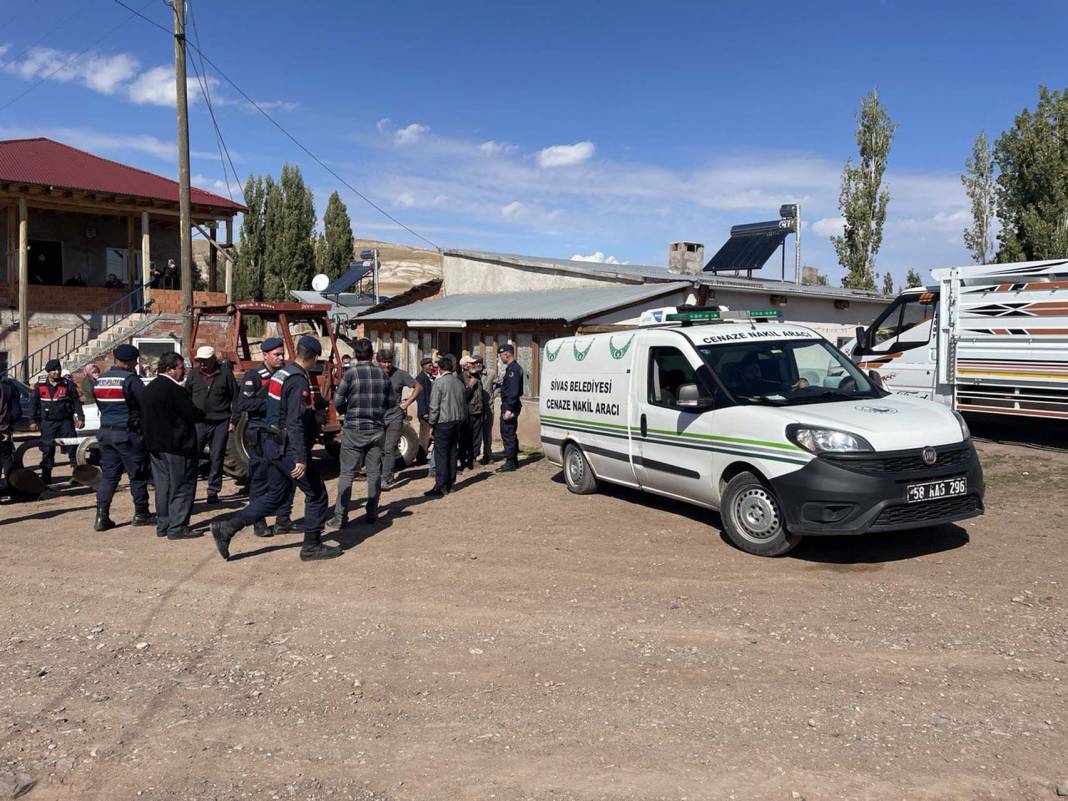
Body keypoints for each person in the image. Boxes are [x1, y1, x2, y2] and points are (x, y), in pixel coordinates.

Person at [211, 336, 341, 561]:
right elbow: (293, 421)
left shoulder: (282, 374)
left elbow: (276, 410)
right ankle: (311, 545)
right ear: (312, 357)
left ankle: (227, 527)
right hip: (287, 447)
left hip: (272, 443)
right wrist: (300, 456)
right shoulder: (298, 379)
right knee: (317, 494)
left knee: (275, 495)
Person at [231, 337, 294, 537]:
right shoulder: (255, 376)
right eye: (276, 355)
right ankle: (259, 522)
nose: (281, 358)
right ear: (265, 355)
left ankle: (283, 519)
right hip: (259, 433)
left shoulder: (285, 375)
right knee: (260, 479)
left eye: (282, 354)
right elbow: (243, 405)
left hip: (280, 434)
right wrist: (273, 404)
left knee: (287, 476)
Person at [328, 338, 392, 528]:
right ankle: (372, 514)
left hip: (354, 429)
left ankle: (340, 517)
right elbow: (391, 403)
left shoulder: (350, 374)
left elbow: (338, 401)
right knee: (374, 473)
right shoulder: (383, 375)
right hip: (376, 430)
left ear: (355, 355)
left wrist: (348, 410)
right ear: (372, 354)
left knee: (347, 473)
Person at [141, 352, 204, 540]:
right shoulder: (173, 390)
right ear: (170, 369)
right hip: (176, 446)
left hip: (155, 446)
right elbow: (192, 413)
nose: (183, 370)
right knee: (181, 486)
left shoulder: (149, 388)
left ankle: (164, 524)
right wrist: (202, 414)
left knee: (163, 487)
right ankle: (177, 527)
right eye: (181, 367)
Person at [94, 344, 154, 531]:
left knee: (109, 477)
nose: (136, 365)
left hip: (105, 433)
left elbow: (100, 405)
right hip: (127, 433)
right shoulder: (130, 380)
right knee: (137, 475)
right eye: (135, 361)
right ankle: (141, 513)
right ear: (129, 362)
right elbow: (146, 403)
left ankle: (102, 516)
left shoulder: (100, 380)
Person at [187, 345, 238, 504]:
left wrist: (234, 420)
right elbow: (186, 395)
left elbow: (235, 397)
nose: (202, 363)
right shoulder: (194, 374)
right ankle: (188, 491)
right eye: (199, 360)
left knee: (217, 457)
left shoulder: (225, 374)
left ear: (213, 359)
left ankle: (213, 492)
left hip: (221, 422)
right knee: (192, 456)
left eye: (205, 360)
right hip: (199, 422)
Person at [28, 359, 84, 484]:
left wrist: (80, 418)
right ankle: (46, 476)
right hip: (48, 423)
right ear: (48, 372)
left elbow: (76, 402)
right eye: (54, 370)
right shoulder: (40, 385)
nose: (57, 372)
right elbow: (33, 404)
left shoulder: (68, 384)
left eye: (58, 369)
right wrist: (32, 420)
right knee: (47, 449)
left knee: (72, 448)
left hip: (66, 421)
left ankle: (78, 475)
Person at [376, 348, 422, 489]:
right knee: (378, 448)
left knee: (390, 447)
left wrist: (407, 403)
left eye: (389, 362)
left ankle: (387, 478)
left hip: (395, 416)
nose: (387, 365)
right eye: (384, 362)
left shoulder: (400, 374)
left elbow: (418, 387)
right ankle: (376, 475)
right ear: (378, 362)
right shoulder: (374, 374)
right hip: (377, 417)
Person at [424, 355, 466, 498]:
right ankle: (450, 483)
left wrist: (431, 424)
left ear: (440, 369)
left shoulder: (439, 383)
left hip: (443, 422)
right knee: (452, 452)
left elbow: (434, 406)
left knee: (441, 453)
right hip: (457, 421)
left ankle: (440, 485)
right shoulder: (459, 382)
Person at [496, 344, 524, 473]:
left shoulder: (513, 370)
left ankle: (510, 462)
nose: (500, 358)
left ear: (507, 354)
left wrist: (509, 409)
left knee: (507, 433)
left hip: (509, 405)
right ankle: (513, 460)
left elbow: (513, 391)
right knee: (510, 432)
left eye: (501, 355)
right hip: (510, 405)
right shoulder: (512, 368)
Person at [0, 362, 22, 496]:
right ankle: (11, 490)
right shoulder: (8, 387)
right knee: (6, 460)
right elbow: (17, 412)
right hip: (4, 431)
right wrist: (8, 423)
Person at [462, 358, 486, 471]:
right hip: (467, 413)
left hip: (478, 411)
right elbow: (462, 397)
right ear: (464, 365)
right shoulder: (460, 378)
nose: (473, 365)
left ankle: (474, 459)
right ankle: (465, 461)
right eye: (470, 363)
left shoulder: (477, 377)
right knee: (466, 437)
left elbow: (481, 395)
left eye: (474, 363)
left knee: (477, 437)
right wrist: (470, 385)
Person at [474, 356, 496, 464]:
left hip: (488, 408)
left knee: (487, 434)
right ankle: (475, 456)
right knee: (476, 433)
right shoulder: (472, 374)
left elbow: (501, 383)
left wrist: (494, 394)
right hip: (476, 409)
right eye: (475, 363)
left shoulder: (491, 373)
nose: (477, 364)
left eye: (479, 362)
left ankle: (488, 455)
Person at [414, 357, 434, 464]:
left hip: (430, 410)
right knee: (424, 435)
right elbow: (420, 397)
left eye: (431, 365)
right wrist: (424, 412)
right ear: (423, 366)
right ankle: (420, 458)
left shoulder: (429, 377)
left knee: (430, 435)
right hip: (425, 412)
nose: (431, 367)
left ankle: (422, 455)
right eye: (429, 365)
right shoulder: (420, 378)